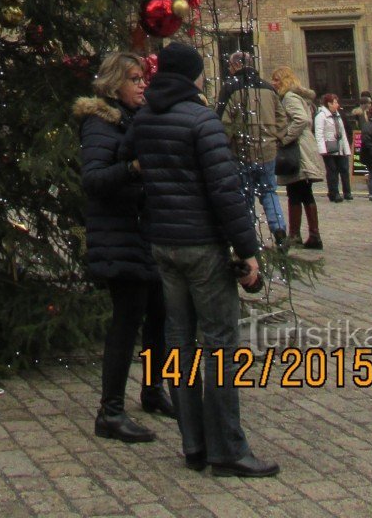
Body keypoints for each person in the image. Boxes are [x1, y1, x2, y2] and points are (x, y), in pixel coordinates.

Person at [127, 40, 278, 480]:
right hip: (201, 247)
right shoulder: (201, 120)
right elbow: (225, 193)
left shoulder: (145, 119)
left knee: (180, 344)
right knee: (220, 348)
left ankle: (193, 445)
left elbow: (128, 160)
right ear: (194, 76)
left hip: (164, 245)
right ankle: (228, 448)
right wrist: (248, 250)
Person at [75, 51, 170, 444]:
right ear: (115, 83)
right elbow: (94, 180)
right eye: (134, 79)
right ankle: (110, 411)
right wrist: (133, 169)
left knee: (158, 315)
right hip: (119, 235)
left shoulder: (133, 119)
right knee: (126, 321)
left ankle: (152, 391)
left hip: (143, 233)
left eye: (144, 78)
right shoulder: (100, 123)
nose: (142, 85)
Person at [219, 54, 289, 243]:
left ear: (236, 66)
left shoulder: (230, 87)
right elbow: (282, 117)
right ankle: (279, 228)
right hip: (268, 150)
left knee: (245, 193)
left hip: (241, 150)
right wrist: (277, 138)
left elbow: (224, 121)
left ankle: (249, 236)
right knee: (269, 191)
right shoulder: (267, 87)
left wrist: (225, 143)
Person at [271, 68, 324, 250]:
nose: (274, 83)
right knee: (302, 191)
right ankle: (312, 234)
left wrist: (285, 138)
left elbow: (300, 120)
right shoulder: (296, 96)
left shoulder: (289, 97)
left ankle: (296, 235)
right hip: (302, 146)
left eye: (277, 79)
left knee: (296, 190)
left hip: (297, 149)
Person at [314, 93, 353, 202]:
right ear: (329, 104)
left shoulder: (338, 114)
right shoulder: (321, 115)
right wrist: (322, 149)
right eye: (335, 102)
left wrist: (347, 148)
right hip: (329, 147)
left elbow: (343, 132)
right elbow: (319, 133)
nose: (337, 104)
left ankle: (347, 192)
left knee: (344, 169)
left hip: (340, 146)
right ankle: (334, 193)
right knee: (332, 171)